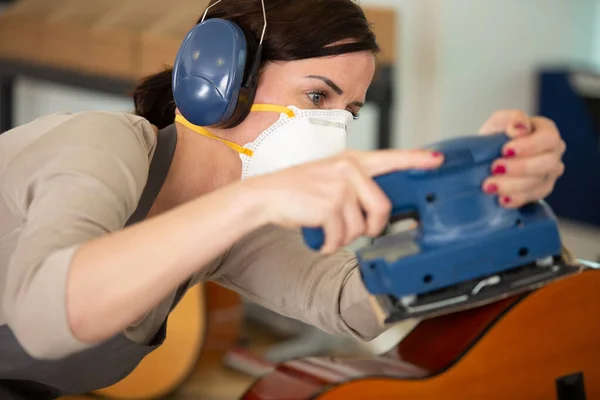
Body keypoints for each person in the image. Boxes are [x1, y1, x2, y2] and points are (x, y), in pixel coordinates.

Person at [0, 0, 566, 398]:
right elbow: (46, 315)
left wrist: (489, 193)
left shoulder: (232, 221)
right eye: (317, 94)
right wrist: (258, 200)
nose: (334, 125)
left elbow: (350, 299)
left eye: (348, 110)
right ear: (219, 79)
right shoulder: (99, 142)